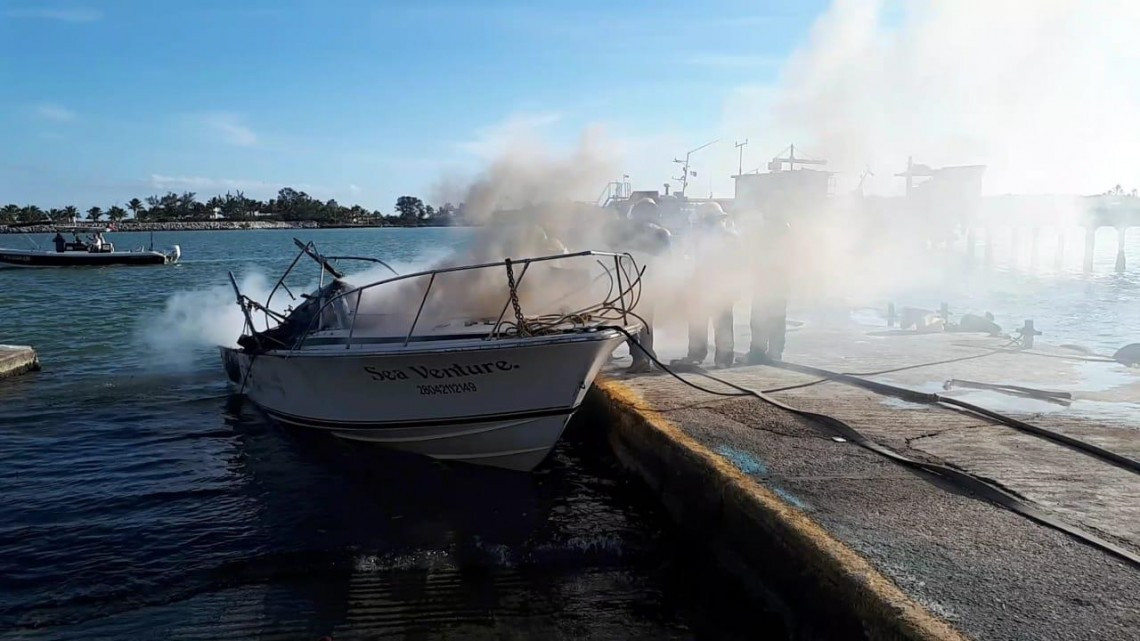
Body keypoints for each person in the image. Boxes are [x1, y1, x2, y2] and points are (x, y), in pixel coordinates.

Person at [607, 197, 671, 372]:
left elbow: (612, 248)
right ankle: (648, 354)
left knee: (629, 321)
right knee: (646, 321)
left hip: (629, 282)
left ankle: (639, 357)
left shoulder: (624, 231)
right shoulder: (662, 233)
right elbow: (669, 258)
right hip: (650, 283)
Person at [674, 202, 738, 368]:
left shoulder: (716, 236)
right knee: (711, 322)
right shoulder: (728, 235)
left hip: (716, 285)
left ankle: (701, 355)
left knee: (707, 321)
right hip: (711, 285)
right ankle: (722, 359)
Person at [748, 213, 791, 363]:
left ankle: (770, 353)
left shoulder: (782, 245)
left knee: (774, 321)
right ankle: (761, 352)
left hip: (774, 289)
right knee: (760, 320)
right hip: (766, 288)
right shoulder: (767, 243)